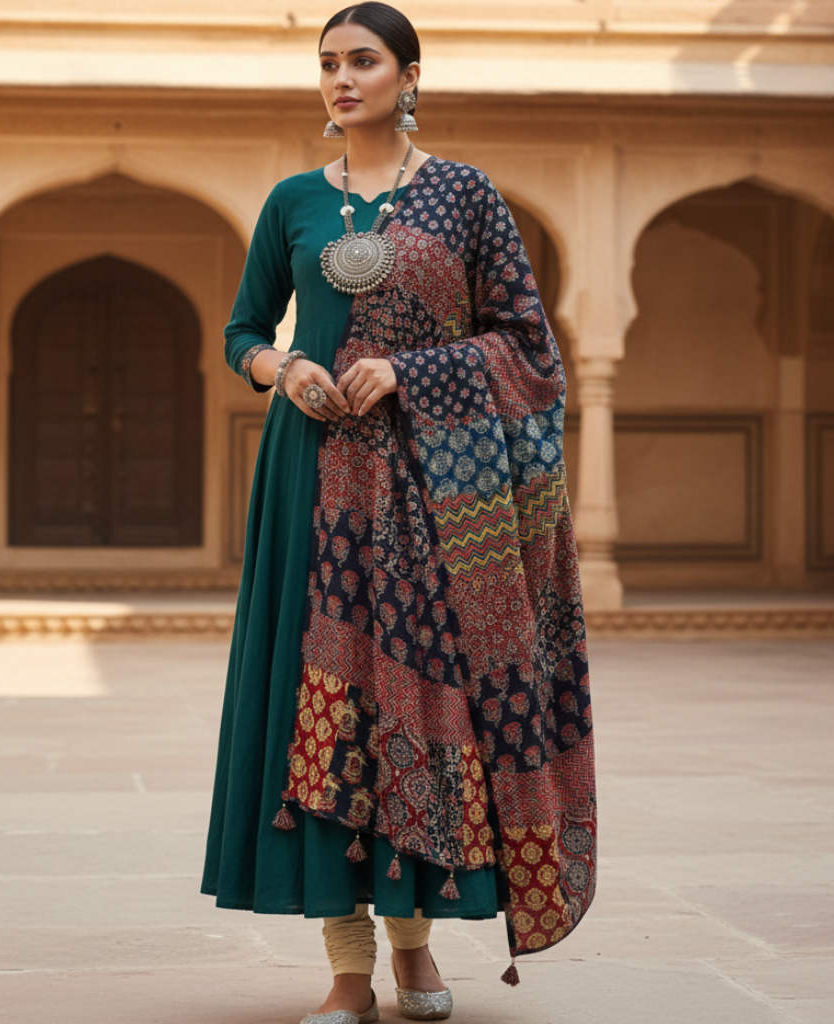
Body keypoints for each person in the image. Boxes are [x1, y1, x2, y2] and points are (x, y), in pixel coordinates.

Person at [202, 5, 597, 1021]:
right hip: (310, 484)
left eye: (362, 61)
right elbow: (243, 325)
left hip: (429, 498)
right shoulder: (292, 201)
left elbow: (529, 350)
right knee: (315, 710)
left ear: (408, 74)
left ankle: (414, 951)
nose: (341, 78)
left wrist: (408, 370)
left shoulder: (464, 197)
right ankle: (346, 969)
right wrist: (280, 365)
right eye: (327, 62)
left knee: (417, 702)